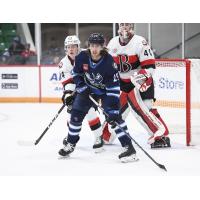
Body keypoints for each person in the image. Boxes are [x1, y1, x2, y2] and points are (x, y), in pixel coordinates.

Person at [58, 33, 138, 162]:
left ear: (103, 47)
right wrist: (81, 86)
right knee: (75, 115)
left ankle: (129, 148)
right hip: (88, 90)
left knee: (115, 118)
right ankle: (70, 144)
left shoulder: (109, 62)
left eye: (97, 46)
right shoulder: (82, 57)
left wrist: (112, 109)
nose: (94, 49)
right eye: (92, 46)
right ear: (88, 46)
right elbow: (77, 74)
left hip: (106, 92)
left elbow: (113, 87)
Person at [104, 23, 170, 148]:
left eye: (127, 25)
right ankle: (106, 135)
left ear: (132, 26)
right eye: (122, 24)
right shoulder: (112, 43)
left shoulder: (140, 42)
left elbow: (150, 67)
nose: (124, 27)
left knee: (145, 109)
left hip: (141, 83)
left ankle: (161, 137)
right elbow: (108, 66)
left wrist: (139, 79)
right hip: (123, 84)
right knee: (115, 112)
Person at [58, 35, 104, 152]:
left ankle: (99, 136)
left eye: (74, 46)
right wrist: (69, 95)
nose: (71, 49)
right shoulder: (64, 63)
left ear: (78, 47)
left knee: (90, 112)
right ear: (66, 49)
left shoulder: (87, 55)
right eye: (69, 47)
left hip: (92, 88)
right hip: (75, 89)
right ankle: (71, 136)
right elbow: (68, 81)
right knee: (72, 113)